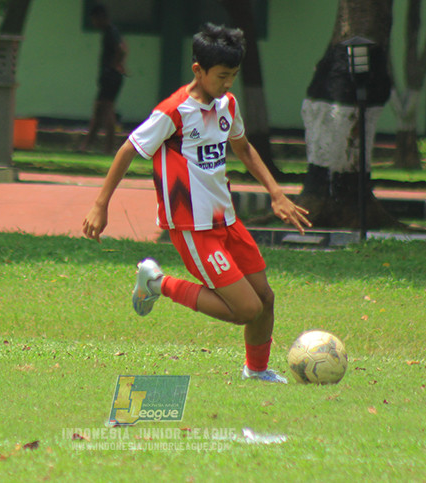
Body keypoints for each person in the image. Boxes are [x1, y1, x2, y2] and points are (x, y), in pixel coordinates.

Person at [82, 23, 310, 383]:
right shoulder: (173, 112)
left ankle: (257, 370)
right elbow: (128, 149)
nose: (228, 83)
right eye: (221, 76)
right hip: (193, 227)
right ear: (198, 70)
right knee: (245, 309)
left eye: (233, 75)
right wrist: (100, 204)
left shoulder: (227, 105)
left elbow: (244, 147)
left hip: (226, 221)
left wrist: (277, 194)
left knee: (265, 298)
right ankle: (157, 283)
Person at [80, 4, 128, 154]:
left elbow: (121, 49)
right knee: (99, 111)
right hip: (110, 75)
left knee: (107, 110)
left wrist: (114, 66)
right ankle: (87, 145)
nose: (94, 23)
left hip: (110, 76)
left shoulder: (111, 31)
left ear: (100, 17)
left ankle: (108, 148)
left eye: (94, 20)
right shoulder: (111, 31)